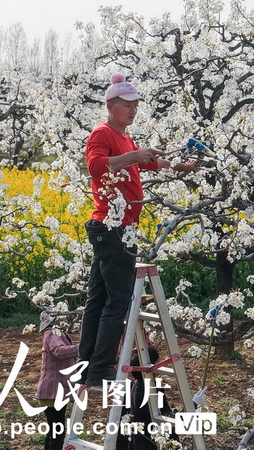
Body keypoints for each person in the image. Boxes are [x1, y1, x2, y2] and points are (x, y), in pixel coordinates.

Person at [80, 73, 196, 388]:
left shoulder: (125, 137)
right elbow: (95, 166)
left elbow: (144, 164)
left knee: (98, 299)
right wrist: (134, 155)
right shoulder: (102, 133)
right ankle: (100, 369)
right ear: (111, 105)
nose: (133, 110)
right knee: (117, 301)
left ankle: (86, 366)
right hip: (112, 226)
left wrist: (176, 166)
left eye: (135, 105)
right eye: (127, 105)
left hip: (119, 228)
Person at [35, 310, 80, 450]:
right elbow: (59, 351)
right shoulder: (53, 333)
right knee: (57, 432)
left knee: (54, 431)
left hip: (53, 391)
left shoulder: (53, 333)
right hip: (54, 391)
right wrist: (82, 348)